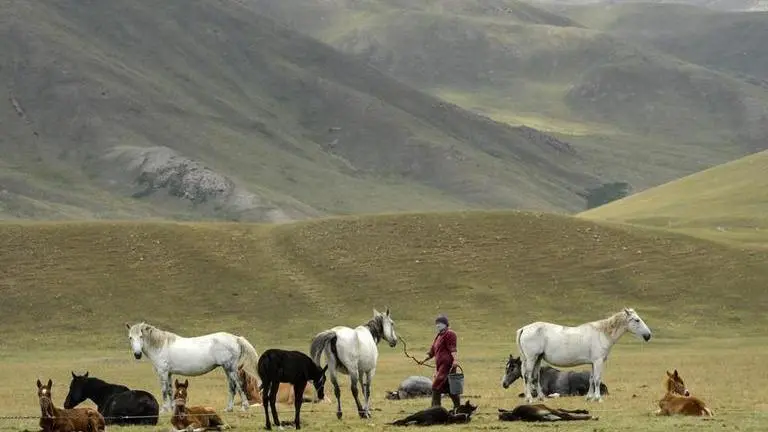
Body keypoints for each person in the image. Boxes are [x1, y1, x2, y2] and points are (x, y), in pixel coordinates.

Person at [422, 314, 460, 408]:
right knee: (450, 388)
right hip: (440, 366)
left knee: (436, 385)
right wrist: (423, 359)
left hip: (447, 365)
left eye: (440, 323)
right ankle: (458, 407)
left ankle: (435, 407)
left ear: (446, 324)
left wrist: (455, 360)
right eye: (437, 324)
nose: (438, 325)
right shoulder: (439, 336)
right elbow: (432, 351)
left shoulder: (450, 334)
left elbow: (453, 348)